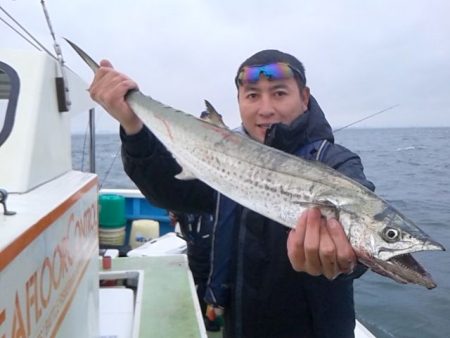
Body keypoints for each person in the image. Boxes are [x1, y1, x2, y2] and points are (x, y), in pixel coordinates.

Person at [89, 49, 375, 338]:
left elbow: (363, 226)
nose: (265, 109)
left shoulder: (337, 163)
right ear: (239, 102)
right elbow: (170, 192)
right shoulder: (224, 158)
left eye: (279, 93)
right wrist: (133, 127)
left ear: (304, 97)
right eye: (252, 96)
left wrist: (347, 261)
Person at [168, 210, 220, 332]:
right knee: (208, 280)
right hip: (198, 238)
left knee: (204, 281)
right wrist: (173, 213)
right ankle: (211, 319)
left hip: (202, 239)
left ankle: (210, 320)